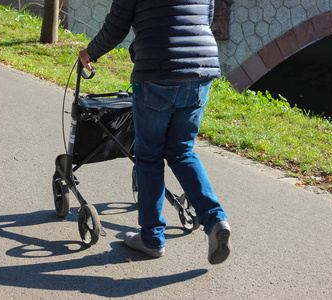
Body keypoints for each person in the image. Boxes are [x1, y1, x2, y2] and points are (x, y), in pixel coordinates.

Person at [79, 0, 231, 264]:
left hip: (158, 70)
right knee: (182, 151)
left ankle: (151, 239)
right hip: (201, 67)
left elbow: (116, 28)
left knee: (149, 156)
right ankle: (216, 220)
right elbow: (204, 19)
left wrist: (89, 53)